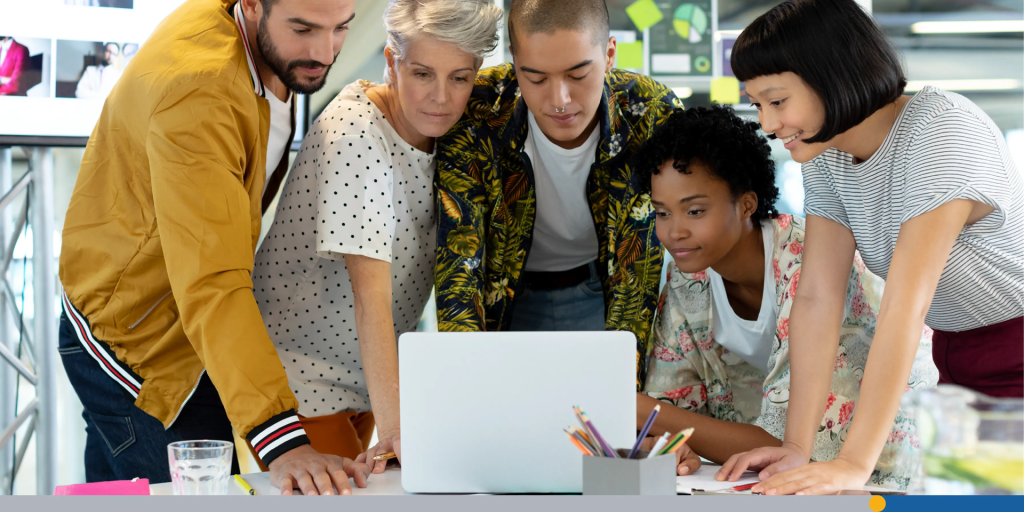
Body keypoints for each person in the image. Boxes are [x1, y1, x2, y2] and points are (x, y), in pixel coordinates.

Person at [59, 0, 368, 496]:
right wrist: (284, 443)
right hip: (142, 340)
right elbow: (214, 278)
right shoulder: (200, 90)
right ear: (250, 5)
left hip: (185, 322)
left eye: (341, 29)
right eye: (304, 28)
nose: (323, 50)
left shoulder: (261, 46)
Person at [716, 0, 1024, 495]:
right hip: (959, 353)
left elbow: (905, 308)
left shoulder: (940, 131)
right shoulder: (827, 154)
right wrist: (798, 445)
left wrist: (854, 463)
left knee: (998, 500)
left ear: (833, 77)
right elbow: (818, 297)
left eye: (777, 101)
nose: (768, 124)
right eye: (756, 104)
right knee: (980, 500)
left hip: (1016, 344)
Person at [252, 0, 502, 474]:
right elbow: (371, 300)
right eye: (422, 73)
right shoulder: (356, 132)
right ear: (391, 63)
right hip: (300, 380)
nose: (441, 98)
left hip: (364, 379)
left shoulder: (451, 131)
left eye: (460, 79)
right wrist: (397, 433)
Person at [637, 105, 938, 489]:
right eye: (662, 213)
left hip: (882, 469)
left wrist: (645, 412)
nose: (674, 231)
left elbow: (792, 443)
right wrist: (671, 444)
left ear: (746, 204)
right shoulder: (687, 279)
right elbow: (674, 415)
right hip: (777, 479)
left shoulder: (812, 262)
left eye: (694, 211)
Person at [434, 0, 681, 390]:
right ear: (515, 63)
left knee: (606, 424)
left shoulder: (651, 113)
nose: (560, 99)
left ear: (610, 55)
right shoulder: (479, 111)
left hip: (603, 293)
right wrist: (464, 386)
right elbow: (459, 261)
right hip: (505, 298)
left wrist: (626, 396)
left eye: (578, 74)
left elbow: (640, 272)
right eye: (536, 79)